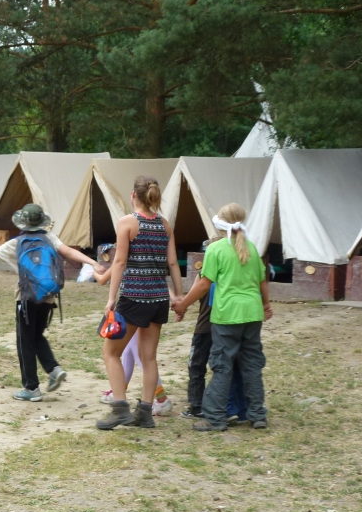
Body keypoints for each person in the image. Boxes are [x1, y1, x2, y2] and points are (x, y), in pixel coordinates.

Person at [0, 204, 103, 402]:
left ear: (22, 223)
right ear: (42, 222)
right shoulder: (50, 238)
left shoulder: (17, 243)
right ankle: (53, 369)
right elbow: (68, 251)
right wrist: (93, 262)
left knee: (25, 341)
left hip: (26, 298)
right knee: (36, 335)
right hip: (48, 296)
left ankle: (31, 388)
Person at [173, 203, 272, 431]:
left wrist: (183, 305)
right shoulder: (251, 248)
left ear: (220, 224)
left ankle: (215, 417)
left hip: (227, 315)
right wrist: (266, 304)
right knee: (252, 365)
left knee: (222, 366)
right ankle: (257, 415)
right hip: (252, 314)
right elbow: (262, 281)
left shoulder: (216, 250)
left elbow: (203, 285)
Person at [96, 176, 183, 430]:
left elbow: (120, 262)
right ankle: (145, 413)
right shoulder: (164, 225)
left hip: (134, 298)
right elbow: (173, 263)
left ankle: (120, 408)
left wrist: (111, 298)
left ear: (133, 195)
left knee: (110, 353)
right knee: (149, 358)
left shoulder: (127, 222)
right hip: (159, 299)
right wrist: (178, 297)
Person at [182, 238, 247, 423]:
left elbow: (193, 293)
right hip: (229, 326)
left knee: (197, 366)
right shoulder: (233, 272)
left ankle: (197, 406)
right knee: (228, 367)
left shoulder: (204, 275)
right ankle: (233, 406)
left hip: (205, 328)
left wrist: (181, 306)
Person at [94, 265, 172, 415]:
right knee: (131, 351)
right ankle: (120, 389)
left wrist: (94, 271)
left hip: (135, 302)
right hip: (155, 300)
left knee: (139, 354)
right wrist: (174, 295)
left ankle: (160, 397)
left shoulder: (125, 255)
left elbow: (103, 279)